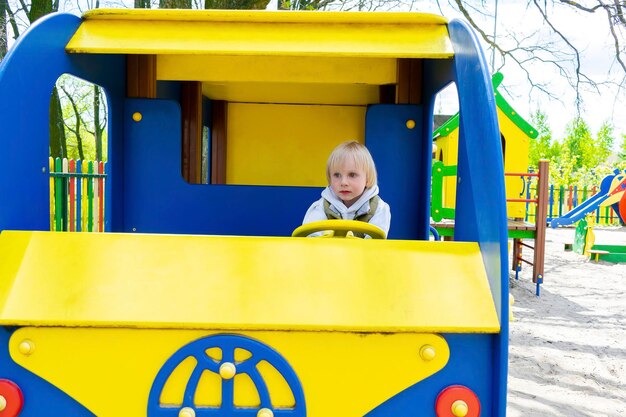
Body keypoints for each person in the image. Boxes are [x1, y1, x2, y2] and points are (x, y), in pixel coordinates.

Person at [302, 140, 391, 238]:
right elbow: (311, 238)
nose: (343, 182)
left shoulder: (378, 209)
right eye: (337, 175)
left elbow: (374, 245)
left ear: (367, 179)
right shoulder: (322, 207)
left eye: (352, 175)